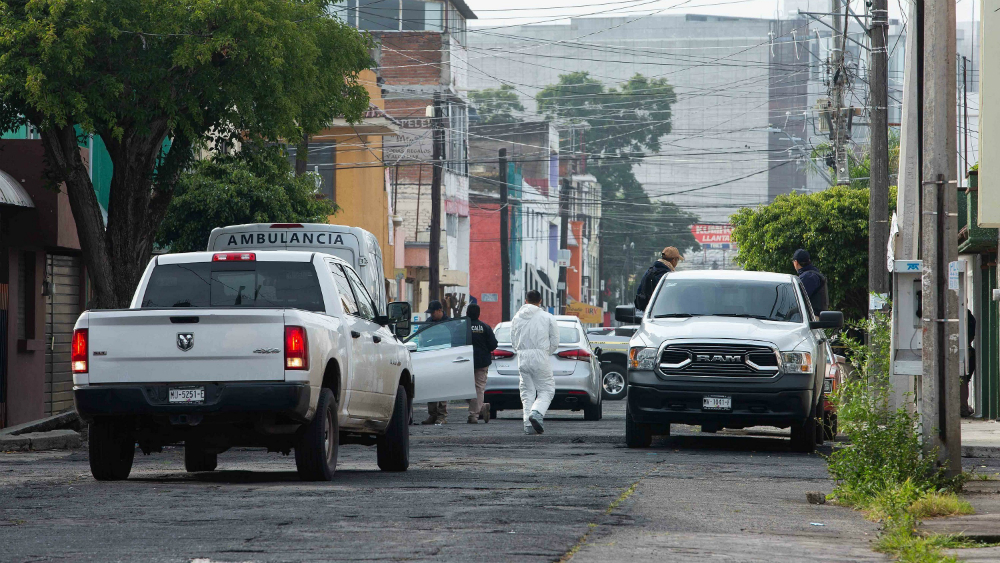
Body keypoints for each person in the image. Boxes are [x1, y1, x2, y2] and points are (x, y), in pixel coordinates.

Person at [511, 290, 560, 434]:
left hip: (523, 358)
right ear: (540, 301)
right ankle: (537, 412)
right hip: (540, 356)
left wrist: (522, 351)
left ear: (525, 300)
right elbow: (555, 342)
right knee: (547, 389)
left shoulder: (516, 318)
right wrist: (545, 352)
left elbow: (513, 341)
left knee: (527, 392)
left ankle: (528, 426)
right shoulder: (547, 317)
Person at [466, 304, 498, 424]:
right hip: (482, 362)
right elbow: (493, 345)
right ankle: (479, 409)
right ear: (479, 314)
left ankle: (474, 415)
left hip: (464, 362)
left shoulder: (462, 327)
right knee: (478, 389)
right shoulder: (485, 327)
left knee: (464, 389)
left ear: (467, 313)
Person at [420, 300, 451, 425]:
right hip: (431, 358)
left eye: (433, 312)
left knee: (442, 387)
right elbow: (422, 337)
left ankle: (442, 416)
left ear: (440, 310)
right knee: (431, 387)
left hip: (444, 358)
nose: (431, 315)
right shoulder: (428, 323)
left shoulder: (450, 323)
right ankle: (432, 415)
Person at [634, 246, 683, 311]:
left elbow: (639, 291)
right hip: (662, 312)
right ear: (674, 260)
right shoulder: (666, 275)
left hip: (647, 312)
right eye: (677, 260)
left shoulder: (650, 271)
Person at [792, 249, 828, 315]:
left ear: (796, 262)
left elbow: (796, 300)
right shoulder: (813, 274)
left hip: (813, 318)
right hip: (814, 317)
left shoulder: (808, 277)